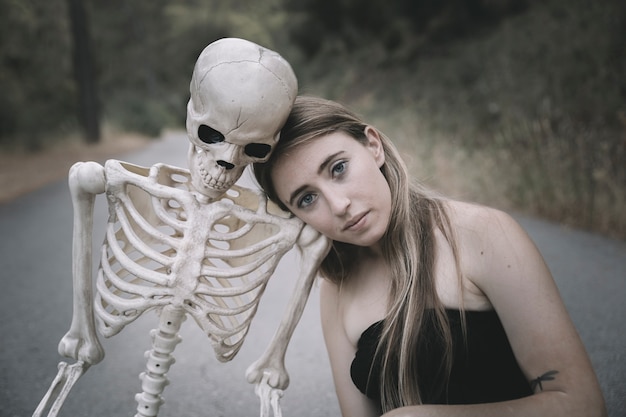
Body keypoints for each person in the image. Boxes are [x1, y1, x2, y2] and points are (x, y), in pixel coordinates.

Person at [253, 96, 607, 417]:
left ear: (373, 146)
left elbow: (581, 403)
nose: (339, 205)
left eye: (338, 168)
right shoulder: (338, 285)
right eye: (307, 199)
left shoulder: (481, 234)